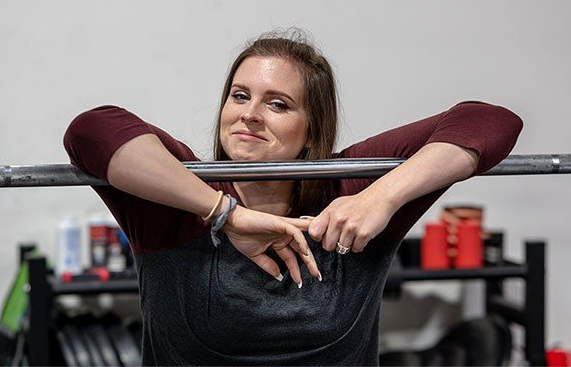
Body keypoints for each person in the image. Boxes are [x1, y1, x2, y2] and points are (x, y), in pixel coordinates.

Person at [64, 29, 523, 365]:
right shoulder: (182, 196)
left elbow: (489, 120)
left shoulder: (348, 188)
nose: (249, 115)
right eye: (239, 96)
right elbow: (91, 130)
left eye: (278, 104)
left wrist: (382, 198)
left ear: (312, 129)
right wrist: (224, 214)